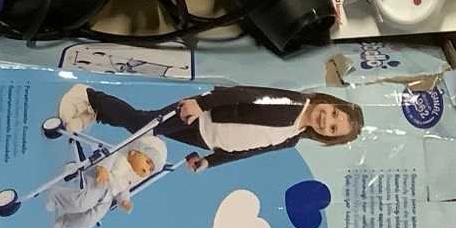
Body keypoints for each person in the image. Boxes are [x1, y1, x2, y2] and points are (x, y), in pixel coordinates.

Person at [60, 83, 364, 171]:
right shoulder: (293, 102)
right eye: (333, 113)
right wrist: (202, 104)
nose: (326, 120)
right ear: (329, 102)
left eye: (332, 128)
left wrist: (211, 160)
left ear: (326, 137)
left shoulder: (292, 138)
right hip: (204, 114)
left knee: (146, 127)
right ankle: (89, 96)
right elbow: (245, 94)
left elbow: (250, 150)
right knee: (145, 125)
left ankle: (96, 112)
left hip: (205, 138)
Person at [44, 135, 166, 228]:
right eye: (147, 162)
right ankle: (55, 196)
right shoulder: (119, 156)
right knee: (82, 203)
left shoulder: (131, 177)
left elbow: (123, 190)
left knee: (90, 221)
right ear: (134, 152)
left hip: (108, 198)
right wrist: (103, 168)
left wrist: (124, 201)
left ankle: (64, 221)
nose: (146, 169)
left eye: (151, 169)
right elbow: (107, 157)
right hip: (100, 183)